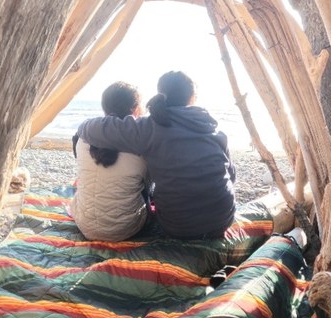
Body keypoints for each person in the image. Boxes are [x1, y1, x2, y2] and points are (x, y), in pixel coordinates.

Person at [76, 71, 236, 239]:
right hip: (223, 220)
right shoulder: (215, 131)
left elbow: (95, 129)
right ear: (193, 98)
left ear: (160, 95)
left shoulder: (149, 128)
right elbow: (231, 176)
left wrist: (82, 126)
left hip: (179, 227)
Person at [69, 81, 151, 241]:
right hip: (127, 229)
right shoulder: (141, 146)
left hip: (84, 224)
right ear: (135, 109)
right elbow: (149, 186)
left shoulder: (83, 138)